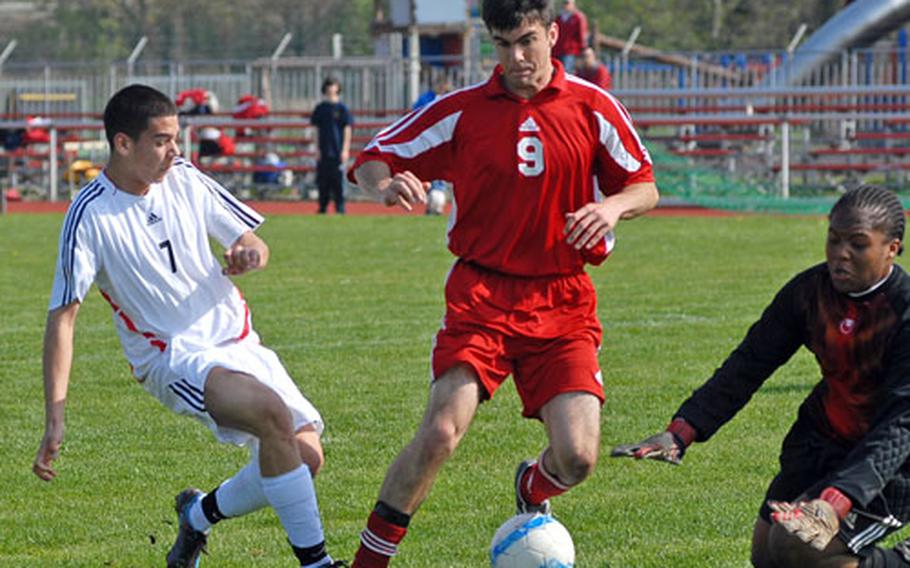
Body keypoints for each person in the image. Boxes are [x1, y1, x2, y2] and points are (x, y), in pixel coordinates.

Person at [348, 0, 658, 565]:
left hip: (562, 299)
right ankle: (369, 563)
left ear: (553, 34)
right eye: (502, 44)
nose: (515, 57)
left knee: (579, 458)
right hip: (482, 297)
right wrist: (383, 186)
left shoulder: (594, 107)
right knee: (441, 433)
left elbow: (645, 184)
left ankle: (533, 487)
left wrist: (612, 207)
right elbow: (373, 157)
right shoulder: (462, 112)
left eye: (527, 41)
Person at [32, 84, 345, 568]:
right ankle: (318, 563)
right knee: (271, 415)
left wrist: (249, 254)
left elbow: (253, 241)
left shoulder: (184, 177)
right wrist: (56, 415)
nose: (174, 150)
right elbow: (63, 317)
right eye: (161, 140)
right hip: (174, 357)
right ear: (122, 143)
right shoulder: (90, 214)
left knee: (305, 459)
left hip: (239, 340)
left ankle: (197, 515)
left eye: (176, 138)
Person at [613, 184, 910, 568]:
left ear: (892, 248)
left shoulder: (903, 310)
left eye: (858, 244)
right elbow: (749, 363)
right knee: (766, 555)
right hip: (822, 440)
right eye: (833, 240)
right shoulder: (809, 292)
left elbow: (902, 422)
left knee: (797, 546)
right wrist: (682, 430)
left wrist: (836, 502)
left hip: (892, 463)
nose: (841, 254)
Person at [411, 76, 455, 216]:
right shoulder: (425, 99)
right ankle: (432, 203)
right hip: (426, 142)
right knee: (429, 174)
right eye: (441, 84)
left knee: (439, 175)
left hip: (443, 143)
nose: (443, 87)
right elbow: (414, 117)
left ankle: (436, 205)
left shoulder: (450, 98)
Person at [310, 77, 353, 215]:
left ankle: (340, 208)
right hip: (323, 151)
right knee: (323, 181)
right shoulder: (320, 108)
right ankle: (322, 207)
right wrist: (316, 148)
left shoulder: (342, 109)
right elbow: (315, 129)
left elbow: (347, 129)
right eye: (328, 86)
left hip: (337, 151)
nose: (331, 88)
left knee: (338, 181)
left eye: (333, 85)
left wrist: (345, 149)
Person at [552, 0, 588, 73]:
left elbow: (581, 34)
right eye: (564, 3)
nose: (565, 5)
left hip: (570, 52)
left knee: (567, 73)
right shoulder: (559, 18)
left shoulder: (578, 17)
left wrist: (582, 50)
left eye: (567, 3)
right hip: (557, 50)